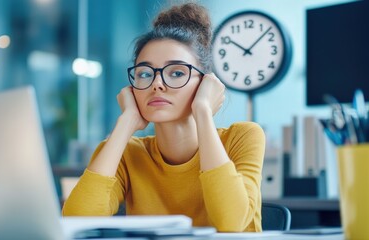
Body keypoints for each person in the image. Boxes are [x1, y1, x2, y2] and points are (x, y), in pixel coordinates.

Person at [62, 2, 265, 232]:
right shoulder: (125, 152)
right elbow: (78, 220)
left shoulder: (243, 137)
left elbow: (231, 224)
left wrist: (203, 111)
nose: (157, 84)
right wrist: (126, 122)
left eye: (177, 73)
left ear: (205, 84)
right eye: (145, 74)